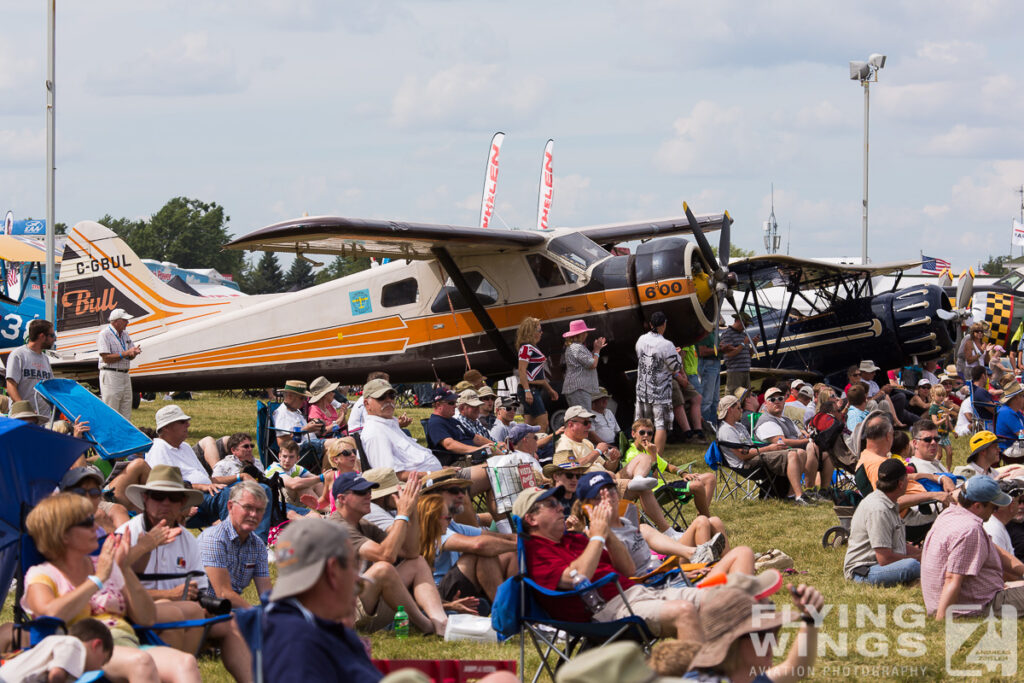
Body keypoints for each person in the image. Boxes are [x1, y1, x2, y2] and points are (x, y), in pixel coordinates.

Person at [514, 485, 782, 639]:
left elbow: (627, 569)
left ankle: (743, 664)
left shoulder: (573, 541)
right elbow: (577, 577)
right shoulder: (534, 550)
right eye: (551, 504)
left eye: (558, 502)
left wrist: (606, 532)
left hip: (638, 593)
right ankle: (701, 673)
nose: (561, 507)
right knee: (688, 612)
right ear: (531, 519)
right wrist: (596, 537)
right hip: (606, 613)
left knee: (752, 604)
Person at [21, 493, 201, 683]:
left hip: (126, 644)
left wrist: (123, 568)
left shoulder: (104, 563)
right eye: (87, 521)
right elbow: (50, 614)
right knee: (141, 662)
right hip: (79, 653)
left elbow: (146, 618)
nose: (96, 527)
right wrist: (98, 580)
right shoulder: (42, 574)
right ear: (63, 534)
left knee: (185, 662)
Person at [120, 465, 253, 682]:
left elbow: (198, 591)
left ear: (182, 503)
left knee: (230, 624)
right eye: (158, 496)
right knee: (179, 614)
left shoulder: (187, 540)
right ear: (145, 498)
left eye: (173, 498)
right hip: (135, 615)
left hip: (183, 611)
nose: (165, 503)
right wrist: (170, 595)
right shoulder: (128, 534)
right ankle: (181, 671)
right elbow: (115, 595)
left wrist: (204, 605)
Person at [259, 518, 384, 682]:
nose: (357, 579)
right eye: (354, 566)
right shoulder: (297, 644)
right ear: (332, 570)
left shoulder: (314, 627)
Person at [328, 471, 449, 635]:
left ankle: (440, 622)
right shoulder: (337, 527)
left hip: (361, 605)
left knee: (418, 562)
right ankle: (426, 627)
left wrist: (412, 511)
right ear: (342, 498)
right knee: (383, 569)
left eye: (369, 491)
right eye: (361, 492)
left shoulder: (363, 524)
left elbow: (411, 552)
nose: (368, 495)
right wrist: (403, 514)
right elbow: (386, 556)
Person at [573, 471, 744, 575]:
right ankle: (714, 569)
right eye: (598, 497)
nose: (608, 497)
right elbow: (632, 573)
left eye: (610, 490)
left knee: (714, 520)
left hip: (664, 565)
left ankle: (712, 563)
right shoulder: (596, 539)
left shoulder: (628, 522)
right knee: (702, 522)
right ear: (587, 506)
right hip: (658, 576)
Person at [145, 405, 272, 539]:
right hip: (189, 499)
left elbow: (209, 480)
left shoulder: (185, 447)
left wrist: (240, 476)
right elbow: (165, 485)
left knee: (261, 489)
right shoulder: (159, 449)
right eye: (182, 422)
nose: (187, 424)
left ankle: (259, 543)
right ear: (166, 427)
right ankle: (233, 543)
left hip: (210, 493)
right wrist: (202, 487)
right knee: (226, 495)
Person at [921, 475, 1024, 619]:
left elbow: (992, 548)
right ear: (977, 506)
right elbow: (952, 578)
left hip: (968, 599)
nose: (994, 512)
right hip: (978, 606)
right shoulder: (970, 530)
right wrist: (941, 621)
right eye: (994, 507)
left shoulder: (950, 514)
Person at [685, 584, 823, 683]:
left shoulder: (744, 676)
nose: (773, 641)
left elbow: (795, 668)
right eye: (761, 634)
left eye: (773, 631)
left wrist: (810, 619)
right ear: (732, 643)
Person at [417, 493, 517, 607]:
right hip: (439, 593)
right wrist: (518, 545)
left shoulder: (451, 526)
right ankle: (506, 610)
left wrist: (527, 540)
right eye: (447, 518)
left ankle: (516, 605)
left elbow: (498, 537)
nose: (460, 495)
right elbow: (479, 545)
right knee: (481, 553)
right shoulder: (436, 534)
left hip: (455, 585)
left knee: (510, 554)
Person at [716, 395, 811, 505]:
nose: (741, 410)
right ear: (730, 410)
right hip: (744, 464)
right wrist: (769, 448)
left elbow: (751, 446)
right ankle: (798, 496)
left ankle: (792, 494)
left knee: (801, 452)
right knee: (792, 455)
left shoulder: (739, 426)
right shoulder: (726, 430)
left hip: (754, 456)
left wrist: (770, 449)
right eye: (738, 408)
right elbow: (743, 456)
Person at [843, 458, 921, 586]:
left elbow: (898, 545)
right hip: (863, 572)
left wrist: (923, 554)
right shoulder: (879, 510)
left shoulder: (888, 502)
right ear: (901, 484)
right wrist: (918, 559)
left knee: (919, 562)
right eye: (907, 477)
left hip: (878, 565)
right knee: (912, 566)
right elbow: (885, 559)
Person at [199, 481, 273, 609]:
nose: (254, 515)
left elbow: (266, 592)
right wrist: (257, 614)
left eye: (259, 510)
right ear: (230, 506)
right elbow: (223, 593)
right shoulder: (214, 539)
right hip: (204, 611)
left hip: (230, 610)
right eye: (248, 507)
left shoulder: (258, 545)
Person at [622, 418, 716, 517]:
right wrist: (653, 454)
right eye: (642, 432)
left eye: (649, 433)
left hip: (666, 487)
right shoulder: (632, 455)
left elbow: (667, 466)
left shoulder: (647, 449)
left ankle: (701, 518)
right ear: (633, 434)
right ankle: (705, 521)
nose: (646, 436)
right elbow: (652, 480)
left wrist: (683, 473)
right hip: (656, 492)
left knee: (710, 478)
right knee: (697, 485)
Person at [754, 388, 826, 499]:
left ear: (784, 401)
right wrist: (808, 440)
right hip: (777, 454)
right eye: (772, 399)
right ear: (765, 404)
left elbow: (800, 436)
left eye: (780, 398)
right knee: (809, 447)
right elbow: (781, 442)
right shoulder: (766, 421)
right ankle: (806, 490)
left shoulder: (786, 419)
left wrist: (806, 436)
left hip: (793, 451)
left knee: (826, 455)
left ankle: (824, 491)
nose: (777, 401)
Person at [0, 618, 112, 683]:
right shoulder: (74, 645)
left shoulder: (61, 643)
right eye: (102, 661)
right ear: (97, 644)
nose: (99, 668)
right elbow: (56, 675)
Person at [634, 311, 683, 455]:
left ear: (650, 324)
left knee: (642, 423)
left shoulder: (641, 339)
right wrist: (678, 355)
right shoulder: (666, 344)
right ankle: (657, 457)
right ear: (664, 324)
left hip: (643, 388)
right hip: (660, 390)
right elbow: (676, 367)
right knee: (660, 423)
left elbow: (640, 357)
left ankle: (640, 454)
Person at [95, 308, 141, 420]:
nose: (127, 323)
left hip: (125, 374)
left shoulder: (125, 334)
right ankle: (110, 434)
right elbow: (106, 358)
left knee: (126, 407)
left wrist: (133, 353)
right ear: (116, 321)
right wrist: (127, 353)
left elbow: (129, 354)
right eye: (125, 320)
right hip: (111, 374)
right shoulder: (104, 334)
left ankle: (124, 434)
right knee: (112, 408)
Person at [5, 318, 55, 419]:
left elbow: (51, 387)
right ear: (42, 336)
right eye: (52, 335)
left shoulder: (45, 358)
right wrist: (25, 410)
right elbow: (11, 385)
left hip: (44, 418)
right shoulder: (18, 354)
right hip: (23, 417)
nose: (54, 339)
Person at [516, 316, 558, 432]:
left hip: (534, 389)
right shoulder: (526, 348)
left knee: (530, 426)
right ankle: (538, 449)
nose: (541, 333)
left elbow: (538, 376)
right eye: (539, 330)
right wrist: (527, 390)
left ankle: (527, 448)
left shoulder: (532, 347)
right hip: (530, 390)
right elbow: (521, 370)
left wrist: (549, 389)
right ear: (531, 332)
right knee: (542, 424)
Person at [272, 380, 325, 467]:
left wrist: (316, 428)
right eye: (302, 398)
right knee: (335, 446)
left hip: (312, 445)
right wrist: (306, 429)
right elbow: (282, 443)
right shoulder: (282, 414)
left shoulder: (296, 411)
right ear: (289, 396)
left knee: (341, 444)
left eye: (305, 398)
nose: (304, 401)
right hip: (300, 449)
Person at [266, 440, 323, 509]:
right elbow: (293, 485)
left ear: (297, 458)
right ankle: (324, 509)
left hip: (289, 501)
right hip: (274, 503)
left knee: (317, 483)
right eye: (284, 456)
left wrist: (326, 478)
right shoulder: (274, 468)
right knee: (298, 482)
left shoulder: (296, 468)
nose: (287, 460)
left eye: (291, 457)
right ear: (279, 456)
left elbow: (315, 479)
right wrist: (321, 478)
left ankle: (331, 507)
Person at [562, 319, 604, 410]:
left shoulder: (574, 346)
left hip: (577, 389)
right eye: (585, 332)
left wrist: (596, 350)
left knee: (580, 417)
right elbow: (592, 364)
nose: (586, 334)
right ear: (580, 334)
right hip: (579, 389)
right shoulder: (577, 347)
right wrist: (597, 350)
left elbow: (586, 361)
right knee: (583, 416)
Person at [906, 419, 956, 493]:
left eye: (936, 439)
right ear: (915, 443)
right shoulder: (914, 468)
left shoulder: (935, 462)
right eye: (928, 439)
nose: (933, 442)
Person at [720, 314, 756, 394]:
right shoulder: (727, 334)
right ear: (739, 321)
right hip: (735, 372)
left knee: (746, 397)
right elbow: (728, 354)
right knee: (734, 395)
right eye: (745, 324)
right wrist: (743, 343)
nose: (746, 327)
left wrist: (754, 344)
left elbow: (748, 355)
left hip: (745, 370)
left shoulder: (743, 335)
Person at [984, 481, 1024, 554]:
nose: (1020, 506)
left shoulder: (995, 525)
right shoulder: (993, 529)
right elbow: (997, 563)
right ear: (1012, 505)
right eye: (1019, 501)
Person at [696, 326, 721, 427]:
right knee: (707, 399)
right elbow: (702, 351)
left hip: (714, 364)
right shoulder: (705, 331)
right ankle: (705, 424)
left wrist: (721, 348)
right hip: (708, 364)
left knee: (715, 399)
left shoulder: (713, 331)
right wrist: (720, 349)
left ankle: (713, 425)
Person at [927, 384, 955, 469]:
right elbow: (935, 422)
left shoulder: (942, 407)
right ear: (933, 396)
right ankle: (932, 468)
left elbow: (948, 421)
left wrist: (953, 431)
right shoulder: (933, 408)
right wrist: (944, 418)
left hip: (945, 434)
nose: (941, 397)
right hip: (937, 435)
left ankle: (948, 470)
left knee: (950, 453)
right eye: (939, 395)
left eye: (943, 395)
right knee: (939, 455)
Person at [995, 379, 1024, 450]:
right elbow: (1022, 435)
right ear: (1017, 397)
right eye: (1023, 396)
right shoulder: (1007, 413)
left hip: (1017, 446)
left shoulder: (1015, 411)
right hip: (1010, 449)